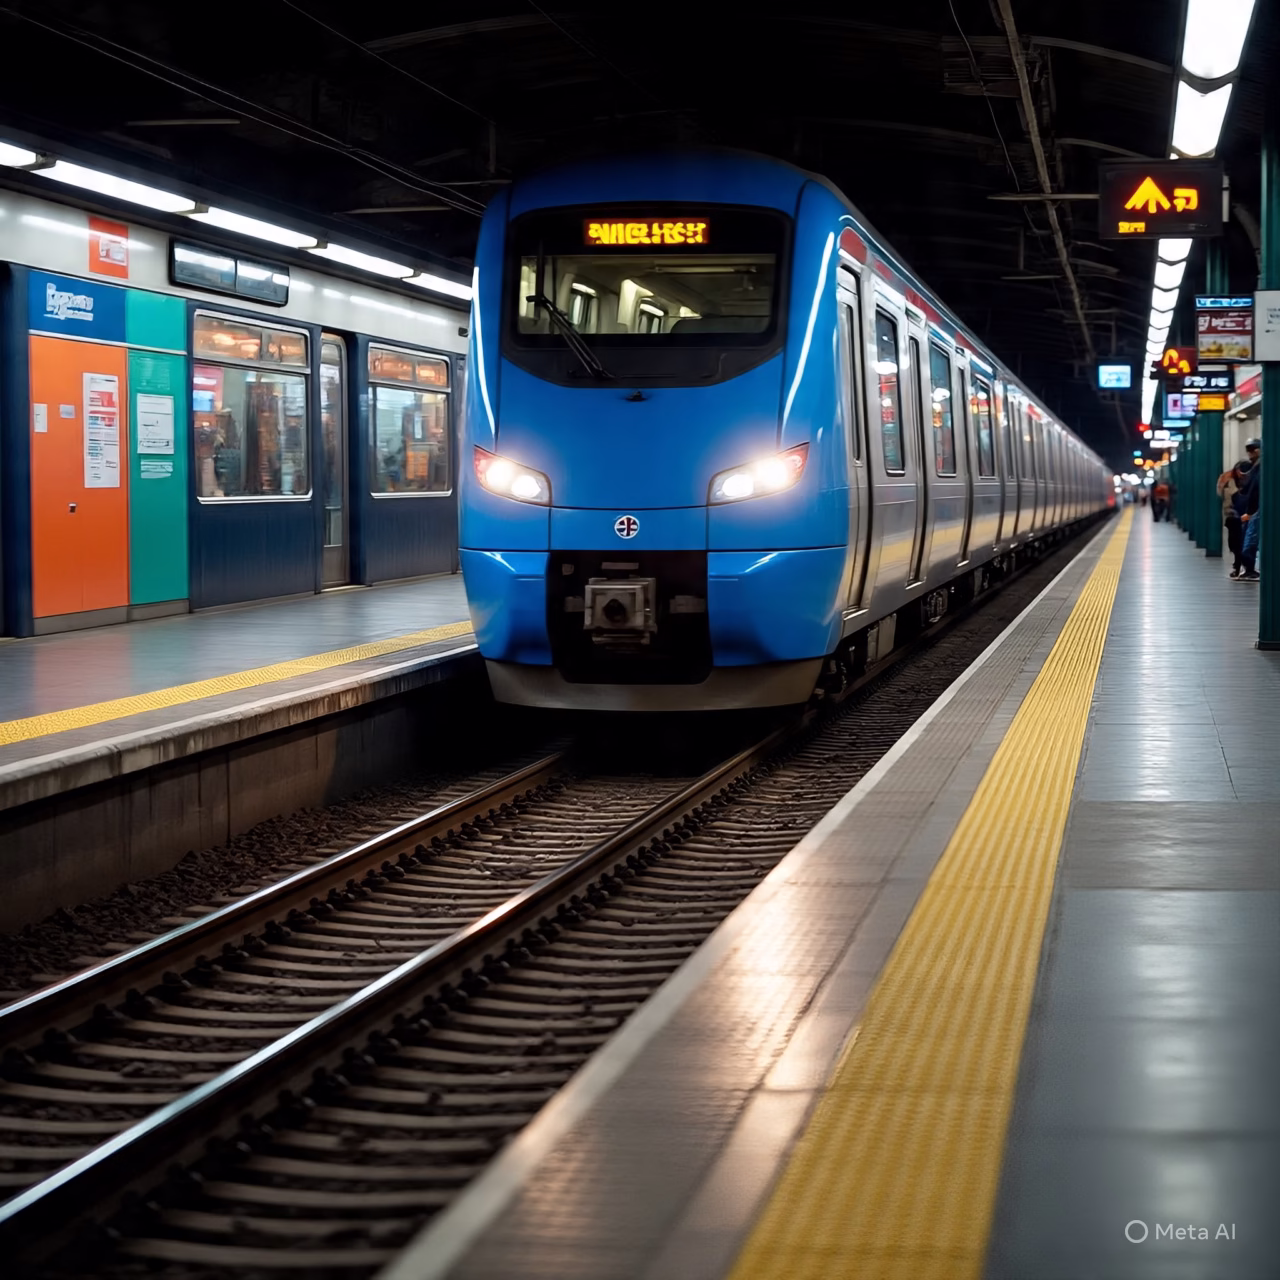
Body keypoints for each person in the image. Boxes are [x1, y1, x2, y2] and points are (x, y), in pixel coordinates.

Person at [1220, 463, 1249, 578]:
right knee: (1233, 544)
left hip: (1243, 516)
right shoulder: (1230, 481)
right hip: (1232, 516)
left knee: (1239, 543)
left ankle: (1238, 566)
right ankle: (1239, 565)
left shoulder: (1247, 482)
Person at [1238, 438, 1261, 581]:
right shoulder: (1254, 468)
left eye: (1253, 449)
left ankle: (1250, 569)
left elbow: (1255, 490)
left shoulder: (1260, 467)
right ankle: (1249, 568)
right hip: (1253, 508)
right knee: (1249, 537)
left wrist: (1251, 510)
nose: (1250, 453)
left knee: (1250, 539)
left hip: (1256, 509)